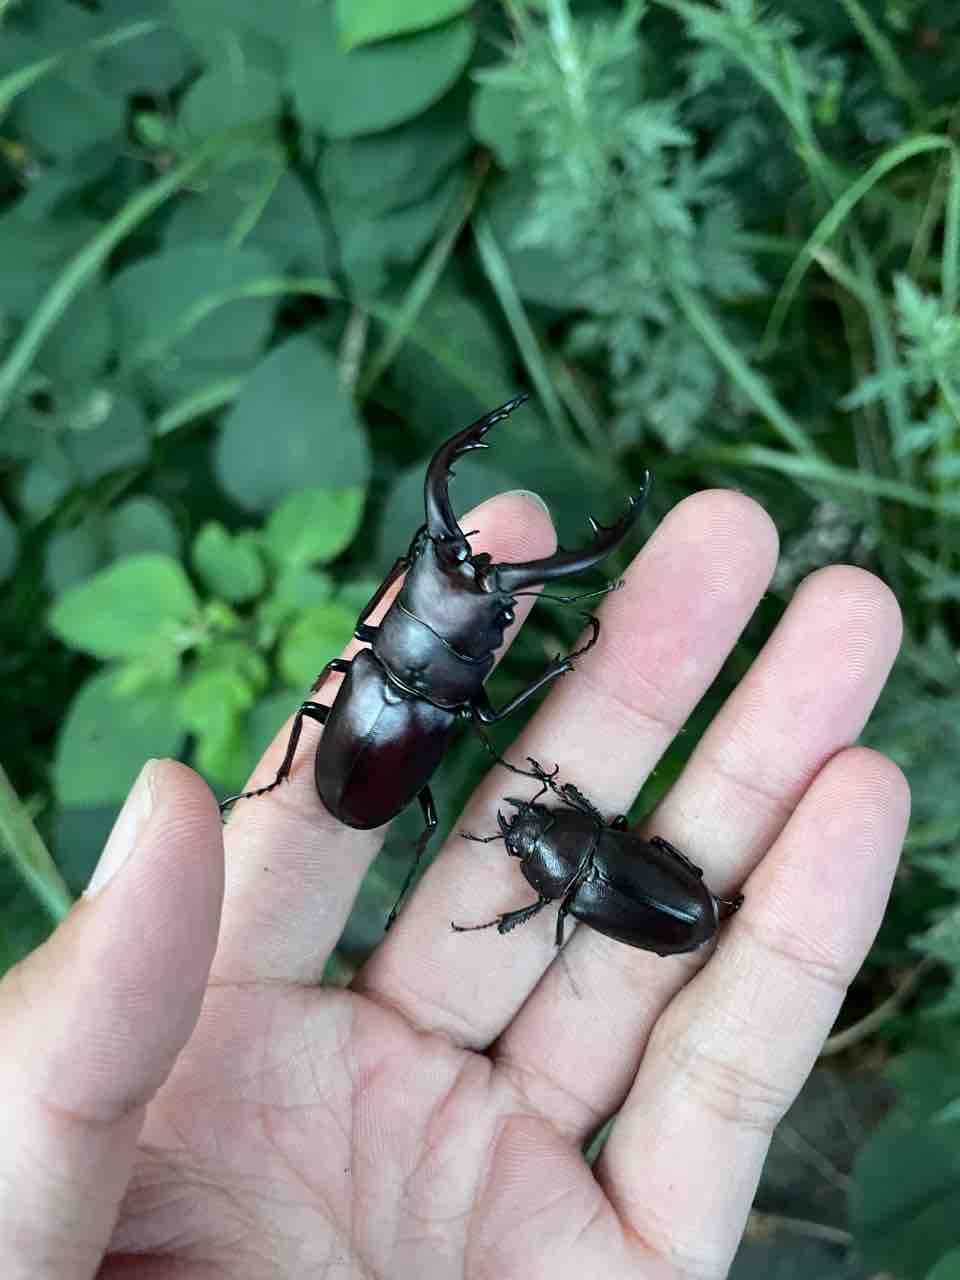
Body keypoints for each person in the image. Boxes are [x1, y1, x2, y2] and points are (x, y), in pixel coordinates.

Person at [0, 489, 908, 1279]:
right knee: (432, 805)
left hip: (402, 749)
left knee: (426, 798)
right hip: (416, 765)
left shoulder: (370, 663)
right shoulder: (437, 699)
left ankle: (304, 796)